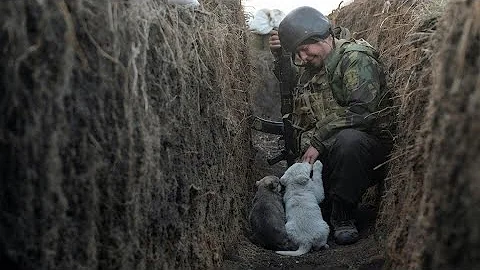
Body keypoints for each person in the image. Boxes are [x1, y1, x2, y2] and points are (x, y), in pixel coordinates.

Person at [269, 6, 394, 245]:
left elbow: (363, 112)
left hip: (364, 153)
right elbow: (292, 88)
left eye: (305, 49)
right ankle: (328, 205)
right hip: (329, 155)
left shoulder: (355, 59)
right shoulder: (314, 67)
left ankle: (344, 216)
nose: (303, 58)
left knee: (350, 141)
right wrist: (281, 58)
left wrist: (318, 140)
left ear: (323, 37)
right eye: (298, 53)